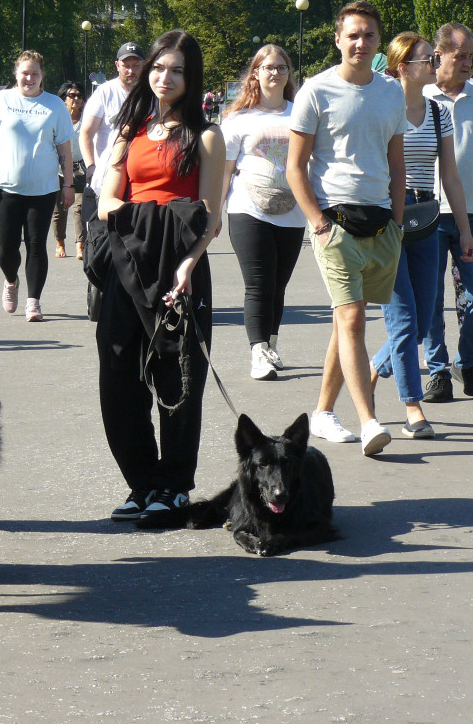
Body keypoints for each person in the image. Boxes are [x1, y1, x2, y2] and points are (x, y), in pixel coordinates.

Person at [97, 29, 225, 524]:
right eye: (158, 68)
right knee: (119, 378)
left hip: (181, 267)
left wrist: (188, 263)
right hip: (127, 265)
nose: (164, 78)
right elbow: (108, 201)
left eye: (176, 70)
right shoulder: (129, 134)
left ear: (190, 78)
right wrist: (158, 214)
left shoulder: (206, 135)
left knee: (179, 378)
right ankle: (141, 482)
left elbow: (210, 215)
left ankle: (172, 485)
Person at [286, 0, 406, 457]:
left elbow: (396, 162)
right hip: (334, 222)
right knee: (353, 317)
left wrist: (396, 221)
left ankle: (321, 412)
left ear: (378, 42)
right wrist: (317, 223)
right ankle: (369, 419)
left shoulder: (391, 92)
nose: (360, 42)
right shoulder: (315, 92)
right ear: (337, 39)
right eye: (352, 35)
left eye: (369, 35)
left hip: (381, 225)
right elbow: (295, 168)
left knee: (345, 319)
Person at [369, 33, 473, 439]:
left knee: (422, 320)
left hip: (427, 218)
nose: (434, 64)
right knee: (402, 318)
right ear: (403, 68)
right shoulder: (383, 108)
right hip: (387, 219)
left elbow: (450, 174)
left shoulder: (437, 113)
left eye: (434, 58)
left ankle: (371, 369)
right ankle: (412, 407)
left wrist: (465, 230)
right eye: (426, 59)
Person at [421, 22, 473, 401]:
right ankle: (437, 371)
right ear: (439, 55)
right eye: (461, 55)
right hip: (428, 213)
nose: (469, 62)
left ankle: (466, 360)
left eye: (471, 55)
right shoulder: (418, 95)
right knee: (430, 297)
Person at [220, 44, 305, 381]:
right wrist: (215, 211)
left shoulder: (301, 113)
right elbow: (224, 169)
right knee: (258, 284)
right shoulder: (239, 118)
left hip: (293, 211)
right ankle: (257, 352)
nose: (275, 73)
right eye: (268, 67)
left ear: (288, 74)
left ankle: (271, 343)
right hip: (247, 209)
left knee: (278, 285)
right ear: (255, 73)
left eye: (281, 67)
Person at [0, 51, 74, 322]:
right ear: (16, 74)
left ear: (42, 76)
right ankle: (10, 280)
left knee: (36, 244)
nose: (29, 78)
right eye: (25, 73)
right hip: (4, 187)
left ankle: (34, 301)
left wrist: (68, 184)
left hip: (43, 188)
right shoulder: (1, 100)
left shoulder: (54, 105)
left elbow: (65, 147)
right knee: (6, 248)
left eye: (35, 74)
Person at [80, 42, 144, 203]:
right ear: (117, 65)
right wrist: (91, 166)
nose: (131, 71)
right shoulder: (105, 92)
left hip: (141, 175)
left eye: (136, 65)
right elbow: (86, 133)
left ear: (144, 64)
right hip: (108, 175)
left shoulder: (151, 94)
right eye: (126, 66)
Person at [51, 81, 86, 259]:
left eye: (79, 95)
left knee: (79, 208)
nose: (77, 99)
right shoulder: (57, 118)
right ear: (64, 99)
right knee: (60, 209)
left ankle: (80, 246)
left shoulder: (88, 117)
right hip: (58, 167)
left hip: (80, 168)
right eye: (72, 95)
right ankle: (60, 243)